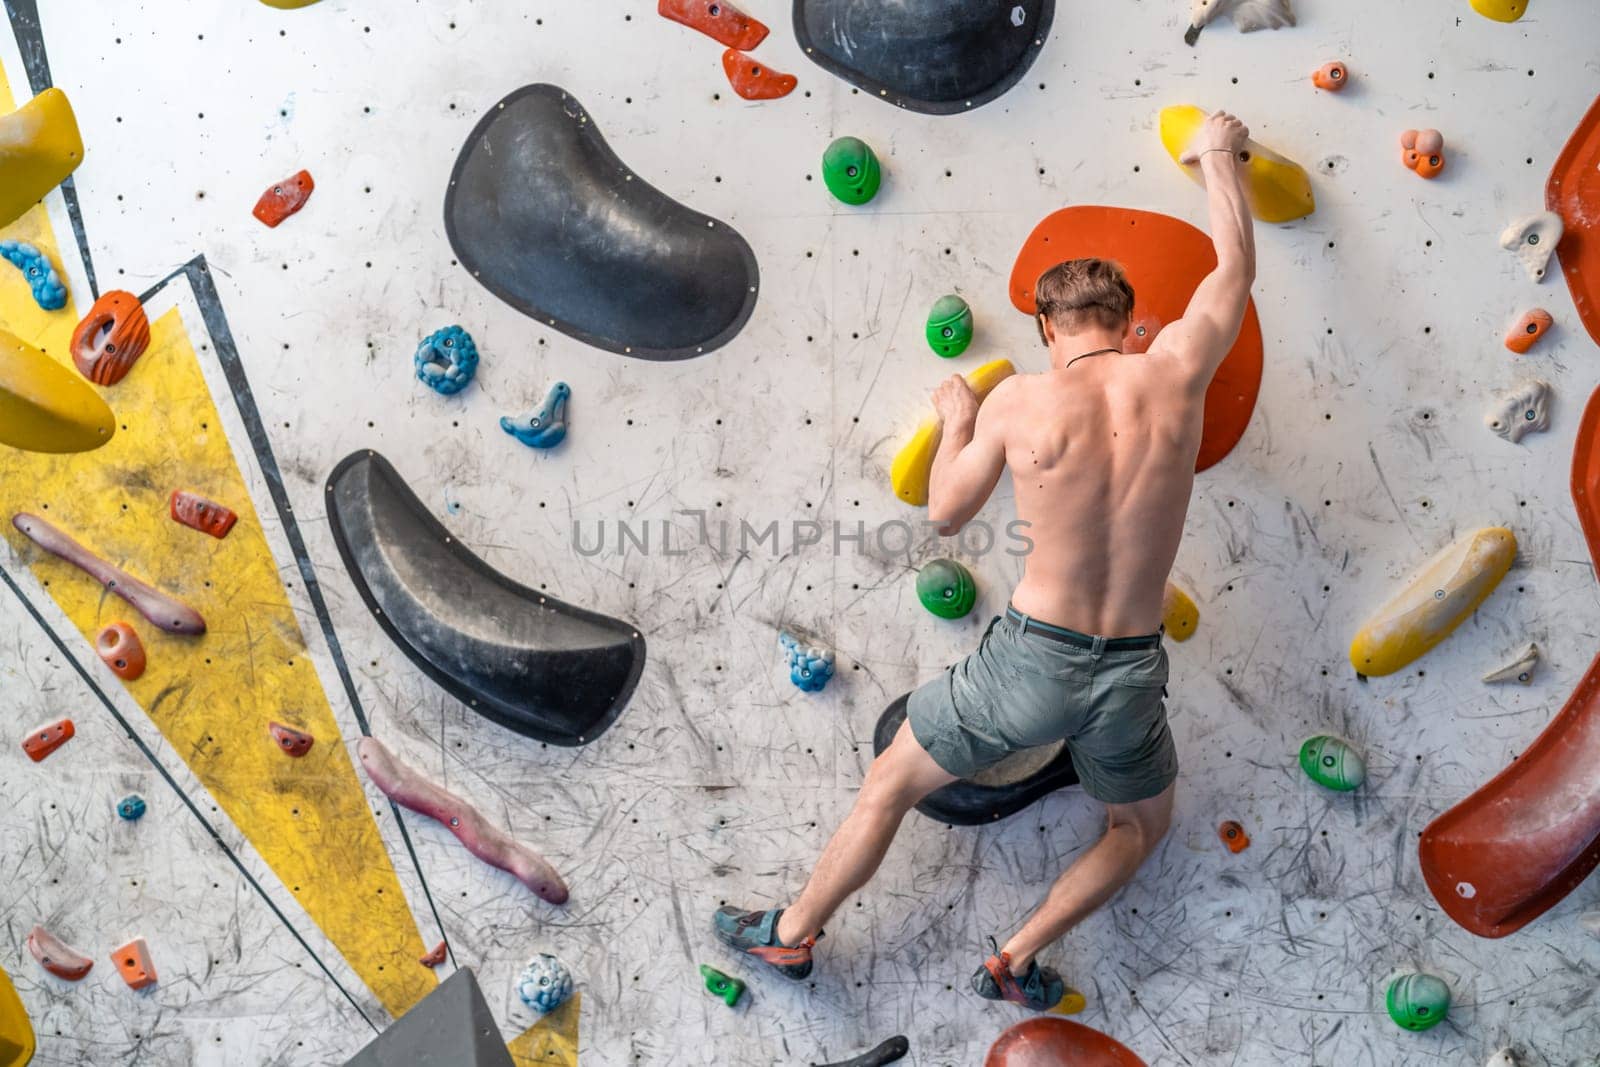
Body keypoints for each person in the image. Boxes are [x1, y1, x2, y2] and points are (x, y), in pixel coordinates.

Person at [712, 111, 1258, 1012]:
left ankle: (792, 931)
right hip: (1128, 671)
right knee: (1138, 825)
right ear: (1125, 323)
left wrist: (963, 418)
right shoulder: (1175, 373)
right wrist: (1216, 157)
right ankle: (1015, 956)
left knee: (890, 780)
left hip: (1029, 661)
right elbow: (1233, 270)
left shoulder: (1019, 404)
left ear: (1048, 325)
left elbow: (946, 510)